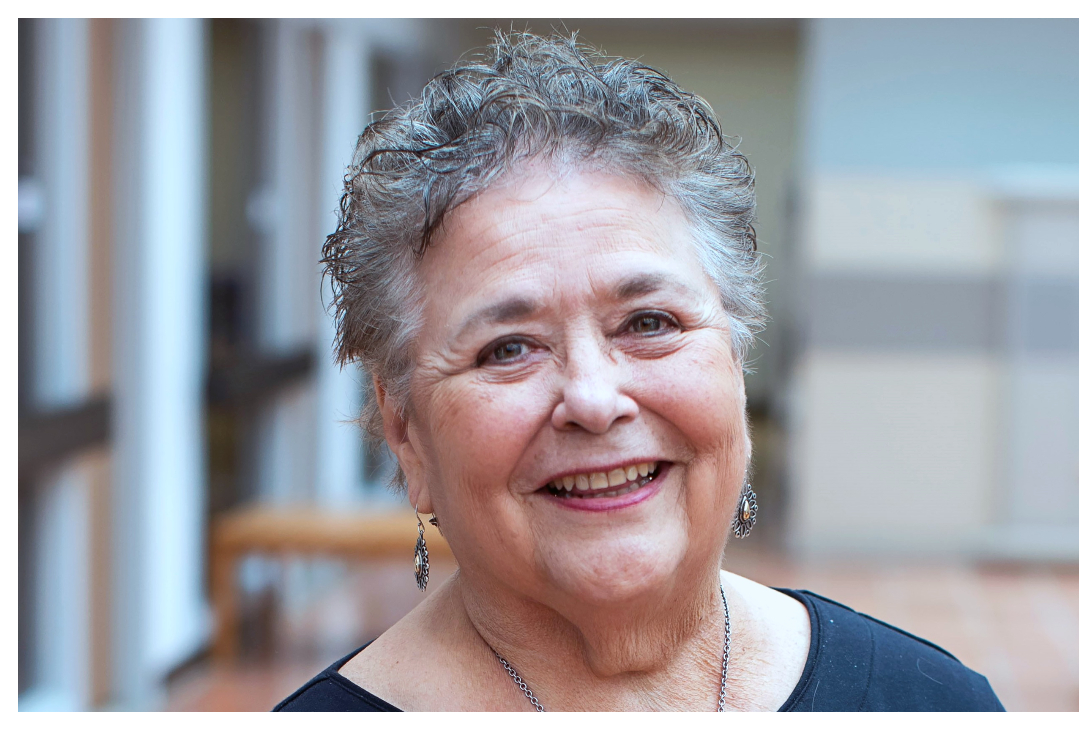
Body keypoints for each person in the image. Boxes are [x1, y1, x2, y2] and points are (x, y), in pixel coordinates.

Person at [275, 30, 1003, 712]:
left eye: (649, 323)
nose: (594, 400)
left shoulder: (933, 703)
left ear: (735, 364)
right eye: (508, 348)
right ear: (405, 433)